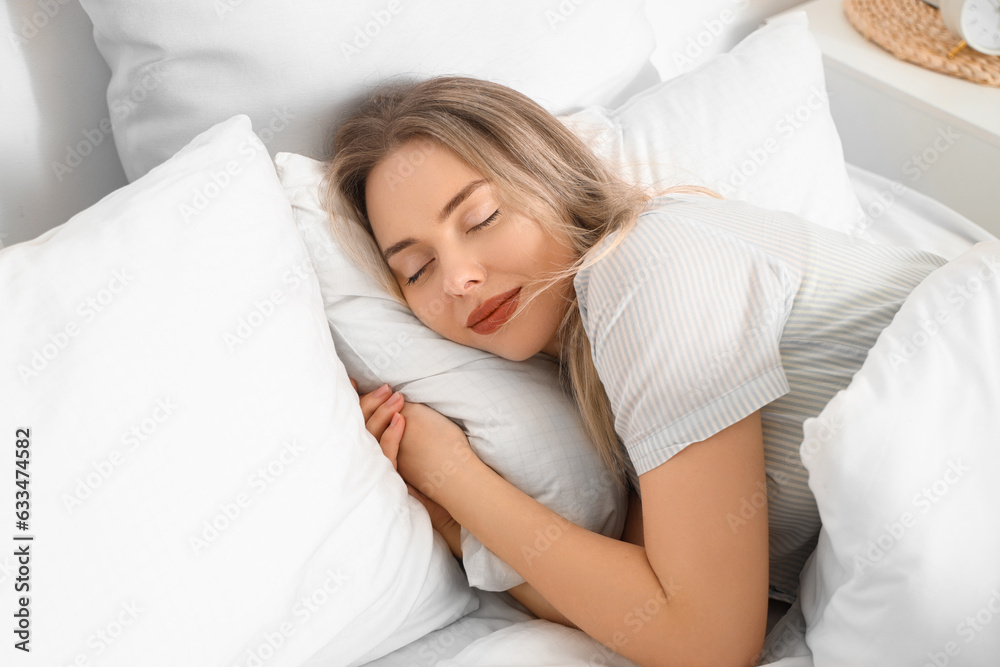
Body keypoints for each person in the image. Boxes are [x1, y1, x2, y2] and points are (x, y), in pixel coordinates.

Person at [326, 76, 946, 666]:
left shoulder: (644, 268)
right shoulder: (594, 373)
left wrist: (454, 474)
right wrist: (453, 527)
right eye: (416, 269)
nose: (459, 278)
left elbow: (707, 641)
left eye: (482, 217)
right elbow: (643, 611)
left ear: (550, 177)